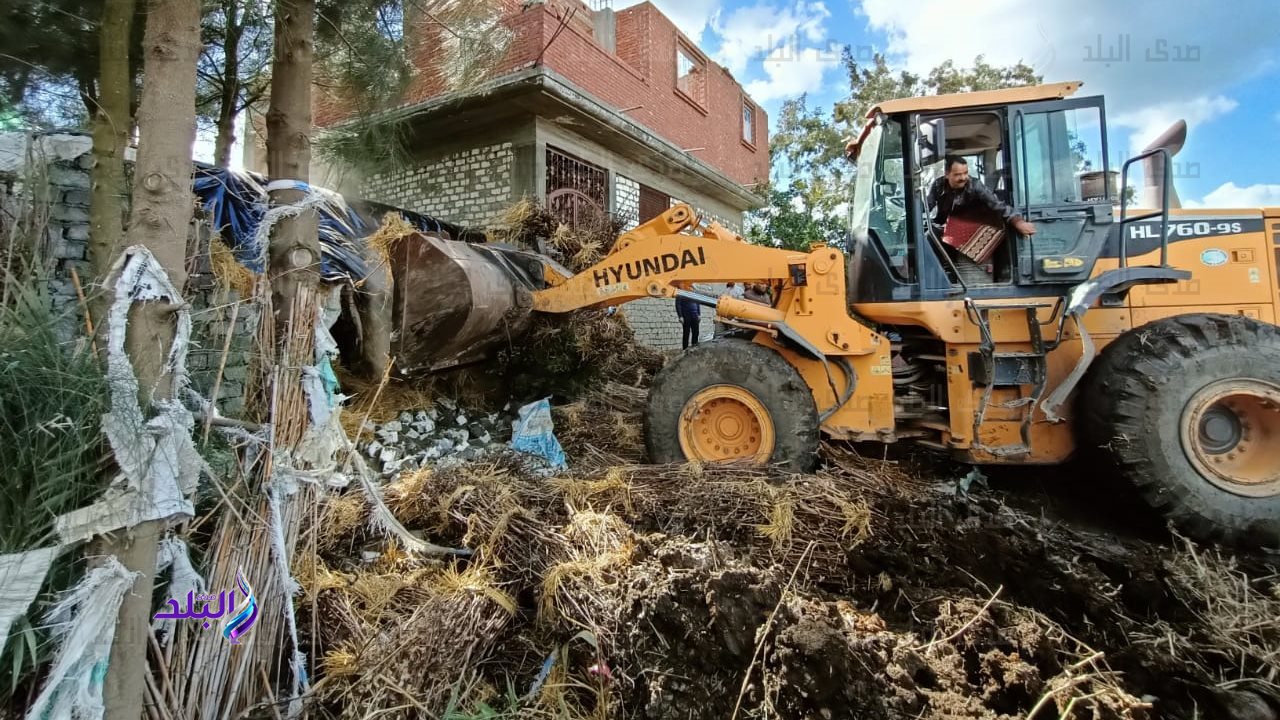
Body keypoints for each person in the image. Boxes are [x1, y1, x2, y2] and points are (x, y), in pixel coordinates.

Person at [928, 156, 1037, 238]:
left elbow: (997, 205)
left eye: (965, 173)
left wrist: (1018, 222)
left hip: (969, 231)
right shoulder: (938, 185)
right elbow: (928, 205)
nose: (963, 178)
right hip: (945, 229)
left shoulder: (975, 185)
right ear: (947, 174)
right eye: (958, 174)